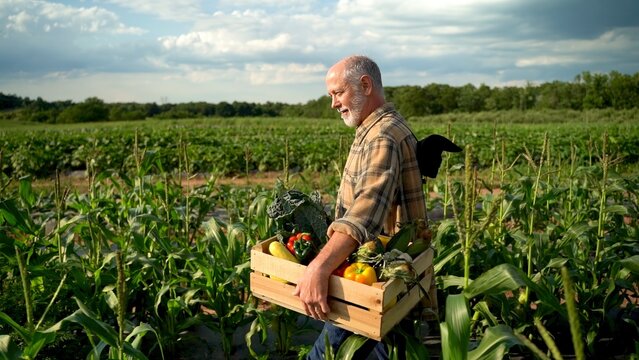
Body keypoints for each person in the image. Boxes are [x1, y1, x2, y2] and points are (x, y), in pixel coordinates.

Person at [293, 55, 427, 359]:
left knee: (325, 354)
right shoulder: (376, 128)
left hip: (372, 281)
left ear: (365, 85)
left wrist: (319, 266)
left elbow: (366, 210)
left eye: (338, 93)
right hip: (382, 280)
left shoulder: (382, 135)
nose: (333, 104)